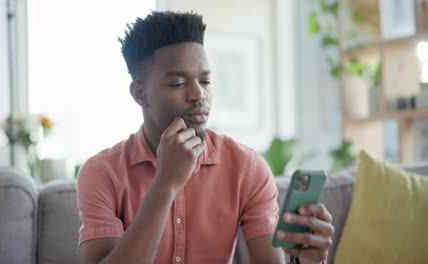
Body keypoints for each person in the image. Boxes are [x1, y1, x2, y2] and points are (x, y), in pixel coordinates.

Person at [77, 11, 334, 264]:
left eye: (206, 81)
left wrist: (308, 261)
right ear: (139, 93)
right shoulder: (101, 173)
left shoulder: (246, 167)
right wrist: (165, 184)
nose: (198, 95)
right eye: (178, 83)